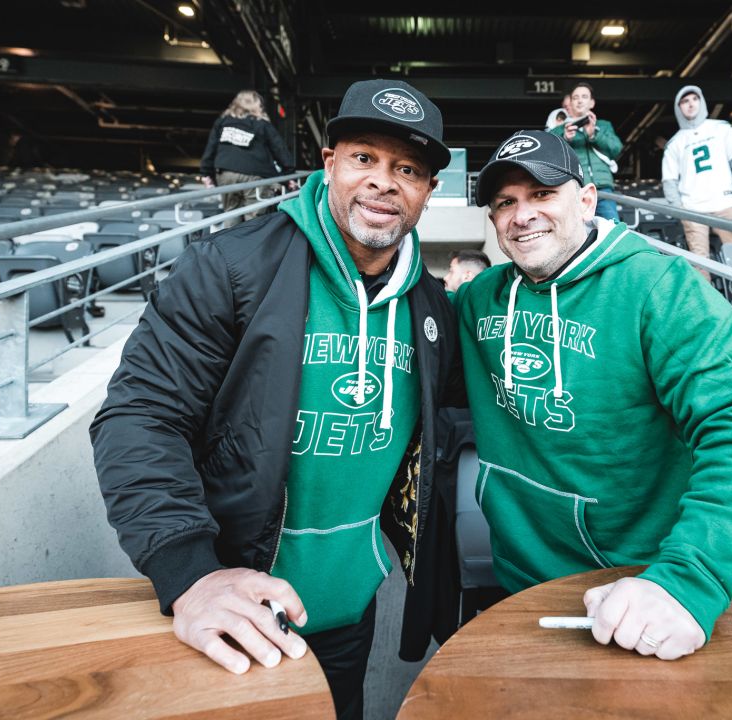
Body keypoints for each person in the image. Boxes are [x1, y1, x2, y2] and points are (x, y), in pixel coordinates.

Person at [92, 78, 465, 720]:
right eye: (364, 158)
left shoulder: (431, 308)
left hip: (349, 606)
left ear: (429, 192)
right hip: (236, 601)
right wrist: (190, 573)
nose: (383, 181)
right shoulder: (231, 266)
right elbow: (140, 416)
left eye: (408, 169)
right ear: (329, 165)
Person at [455, 130, 732, 661]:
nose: (522, 215)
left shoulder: (662, 288)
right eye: (505, 203)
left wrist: (687, 580)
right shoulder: (480, 300)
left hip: (639, 592)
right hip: (515, 584)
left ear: (587, 201)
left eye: (542, 194)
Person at [661, 85, 732, 274]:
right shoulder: (675, 142)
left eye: (694, 99)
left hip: (725, 203)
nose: (690, 104)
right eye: (685, 101)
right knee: (700, 262)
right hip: (693, 208)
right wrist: (679, 208)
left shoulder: (722, 128)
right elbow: (669, 180)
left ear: (701, 101)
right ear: (678, 107)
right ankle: (707, 304)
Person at [199, 90, 297, 227]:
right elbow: (280, 149)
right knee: (255, 219)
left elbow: (211, 148)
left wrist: (205, 173)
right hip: (255, 176)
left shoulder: (223, 122)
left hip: (226, 173)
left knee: (231, 214)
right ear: (257, 105)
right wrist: (288, 174)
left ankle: (229, 246)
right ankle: (252, 247)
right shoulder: (262, 124)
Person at [547, 82, 623, 221]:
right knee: (577, 234)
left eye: (584, 96)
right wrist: (565, 138)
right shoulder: (559, 130)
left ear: (592, 102)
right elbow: (548, 155)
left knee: (612, 229)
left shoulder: (603, 125)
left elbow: (616, 149)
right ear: (570, 103)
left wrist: (594, 134)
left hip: (603, 189)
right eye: (575, 97)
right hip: (575, 190)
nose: (580, 100)